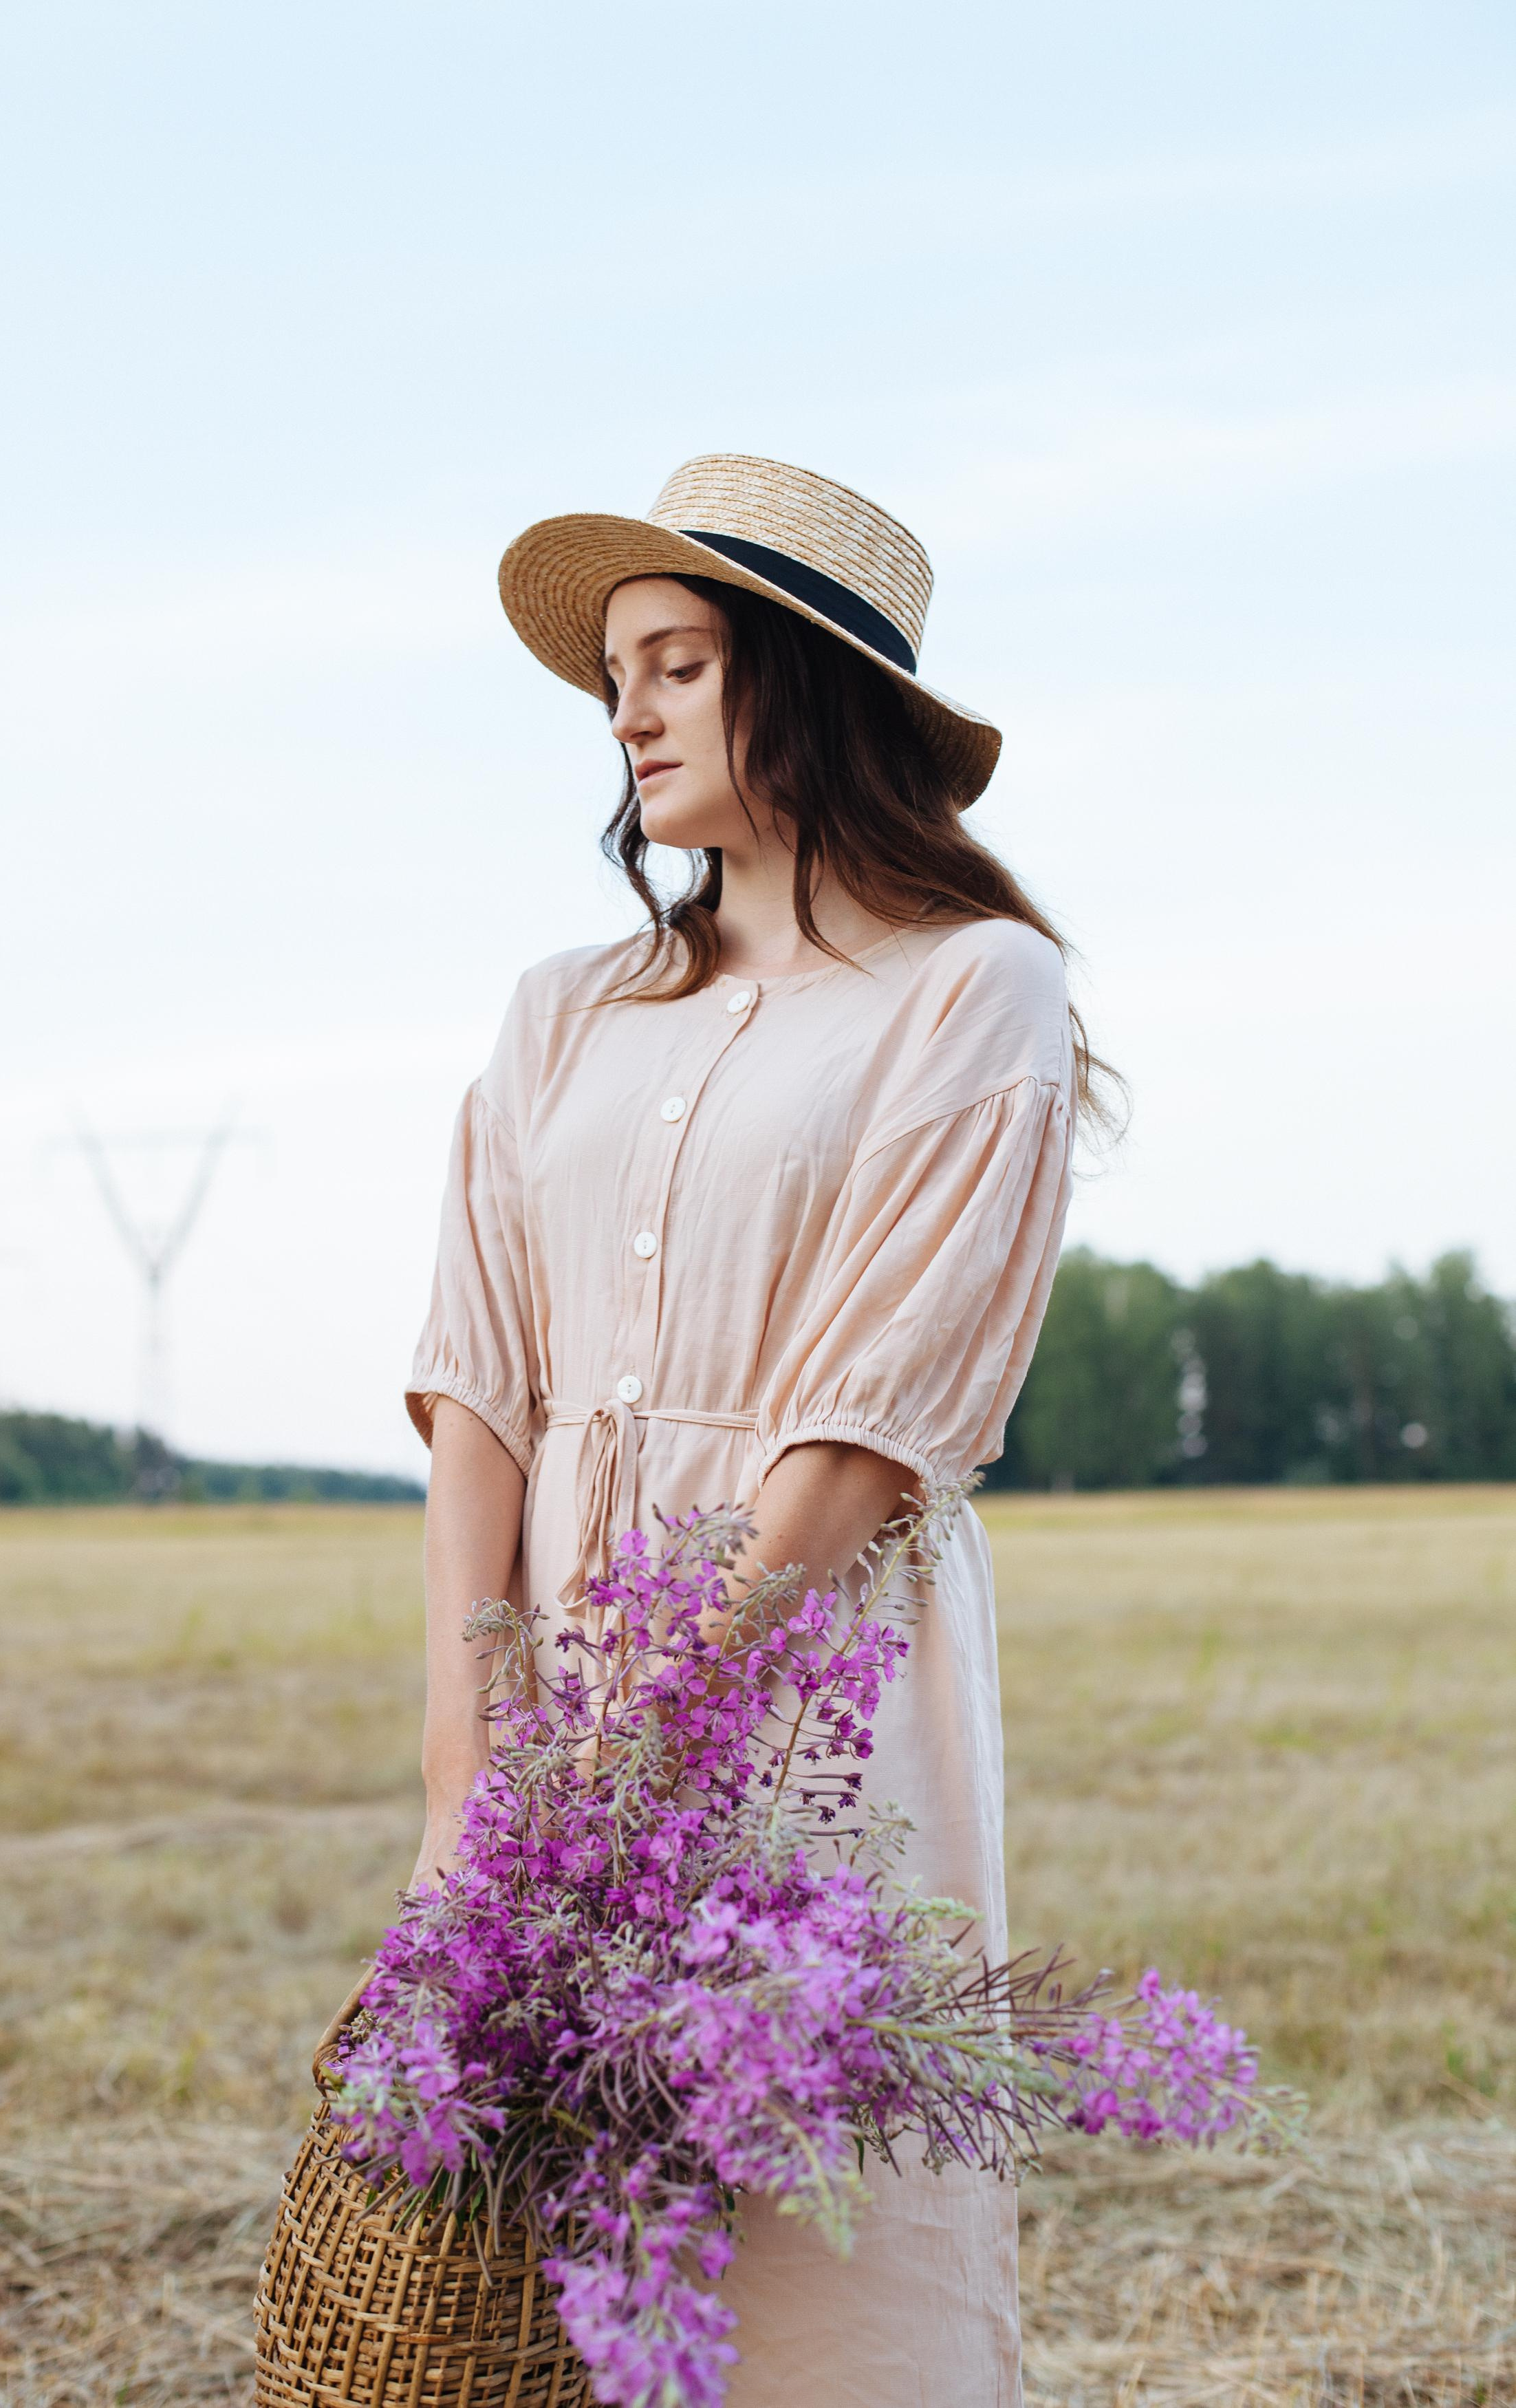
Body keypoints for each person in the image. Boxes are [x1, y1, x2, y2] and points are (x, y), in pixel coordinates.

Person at [404, 453, 1096, 2407]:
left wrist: (646, 1760)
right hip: (554, 1709)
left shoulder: (977, 990)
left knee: (820, 2248)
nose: (625, 711)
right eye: (619, 670)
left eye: (681, 663)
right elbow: (479, 1379)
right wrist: (476, 1763)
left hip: (810, 1695)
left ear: (804, 684)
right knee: (540, 2271)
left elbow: (865, 1427)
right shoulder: (559, 1012)